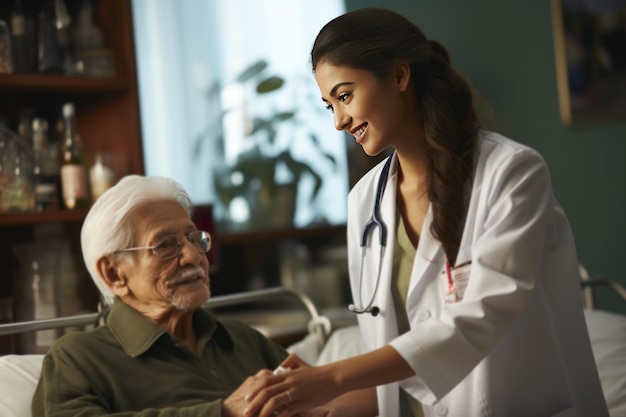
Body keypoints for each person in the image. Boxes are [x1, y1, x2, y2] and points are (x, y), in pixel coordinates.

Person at [243, 7, 609, 417]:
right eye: (330, 106)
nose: (340, 122)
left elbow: (478, 318)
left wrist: (331, 377)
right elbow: (396, 376)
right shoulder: (365, 203)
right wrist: (317, 404)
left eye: (344, 96)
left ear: (399, 76)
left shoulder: (512, 173)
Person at [30, 175, 344, 416]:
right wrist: (222, 412)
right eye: (165, 245)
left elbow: (327, 402)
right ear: (114, 274)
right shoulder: (77, 359)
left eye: (195, 238)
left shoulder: (242, 340)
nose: (194, 256)